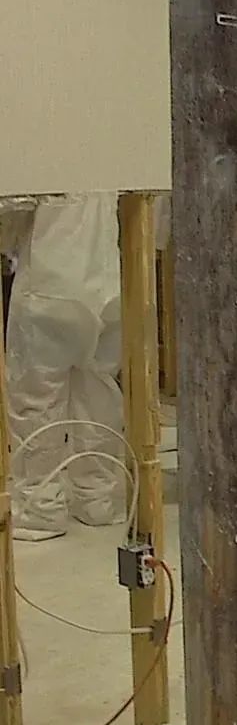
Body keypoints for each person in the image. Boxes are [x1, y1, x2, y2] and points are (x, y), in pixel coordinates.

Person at [5, 194, 124, 541]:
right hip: (109, 281)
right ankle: (97, 497)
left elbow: (11, 203)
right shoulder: (118, 142)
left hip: (49, 280)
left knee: (36, 396)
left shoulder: (45, 144)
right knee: (99, 392)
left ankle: (40, 508)